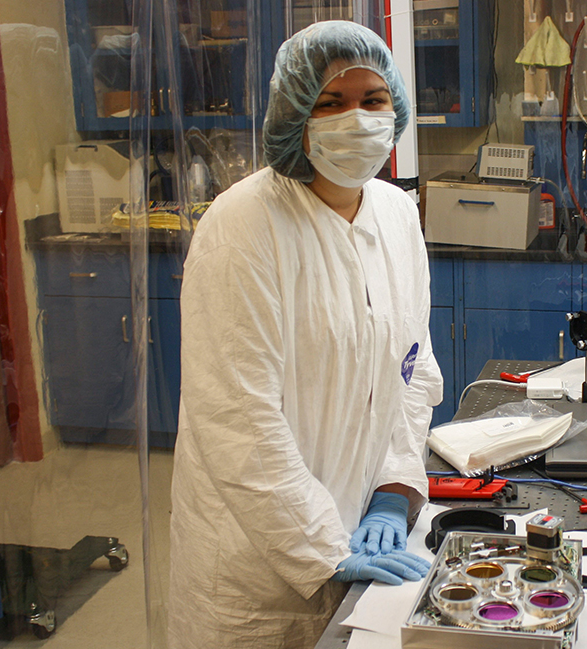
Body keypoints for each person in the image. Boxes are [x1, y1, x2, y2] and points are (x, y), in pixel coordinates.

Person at [167, 21, 443, 649]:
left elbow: (412, 368)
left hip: (366, 532)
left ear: (394, 107)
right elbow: (239, 420)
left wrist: (394, 492)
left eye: (373, 99)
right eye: (331, 102)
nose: (358, 119)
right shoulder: (243, 228)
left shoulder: (398, 214)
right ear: (296, 115)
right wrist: (321, 545)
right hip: (252, 573)